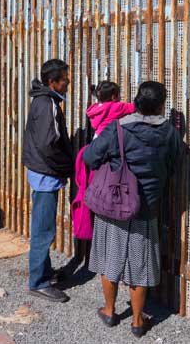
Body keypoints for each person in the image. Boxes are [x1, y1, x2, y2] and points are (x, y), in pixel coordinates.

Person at [83, 81, 181, 336]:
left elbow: (91, 157)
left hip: (114, 205)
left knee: (109, 258)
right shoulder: (169, 133)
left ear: (136, 101)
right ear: (161, 105)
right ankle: (138, 321)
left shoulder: (118, 129)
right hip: (146, 208)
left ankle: (109, 311)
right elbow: (174, 166)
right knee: (139, 265)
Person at [22, 58, 74, 303]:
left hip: (40, 171)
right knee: (43, 230)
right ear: (52, 82)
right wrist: (67, 165)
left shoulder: (43, 100)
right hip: (45, 174)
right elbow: (47, 143)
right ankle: (38, 282)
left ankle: (43, 273)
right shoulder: (48, 104)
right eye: (64, 79)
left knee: (42, 227)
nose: (68, 82)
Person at [71, 81, 135, 265]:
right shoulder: (116, 107)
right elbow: (134, 108)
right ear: (114, 96)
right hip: (108, 143)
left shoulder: (94, 109)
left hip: (96, 141)